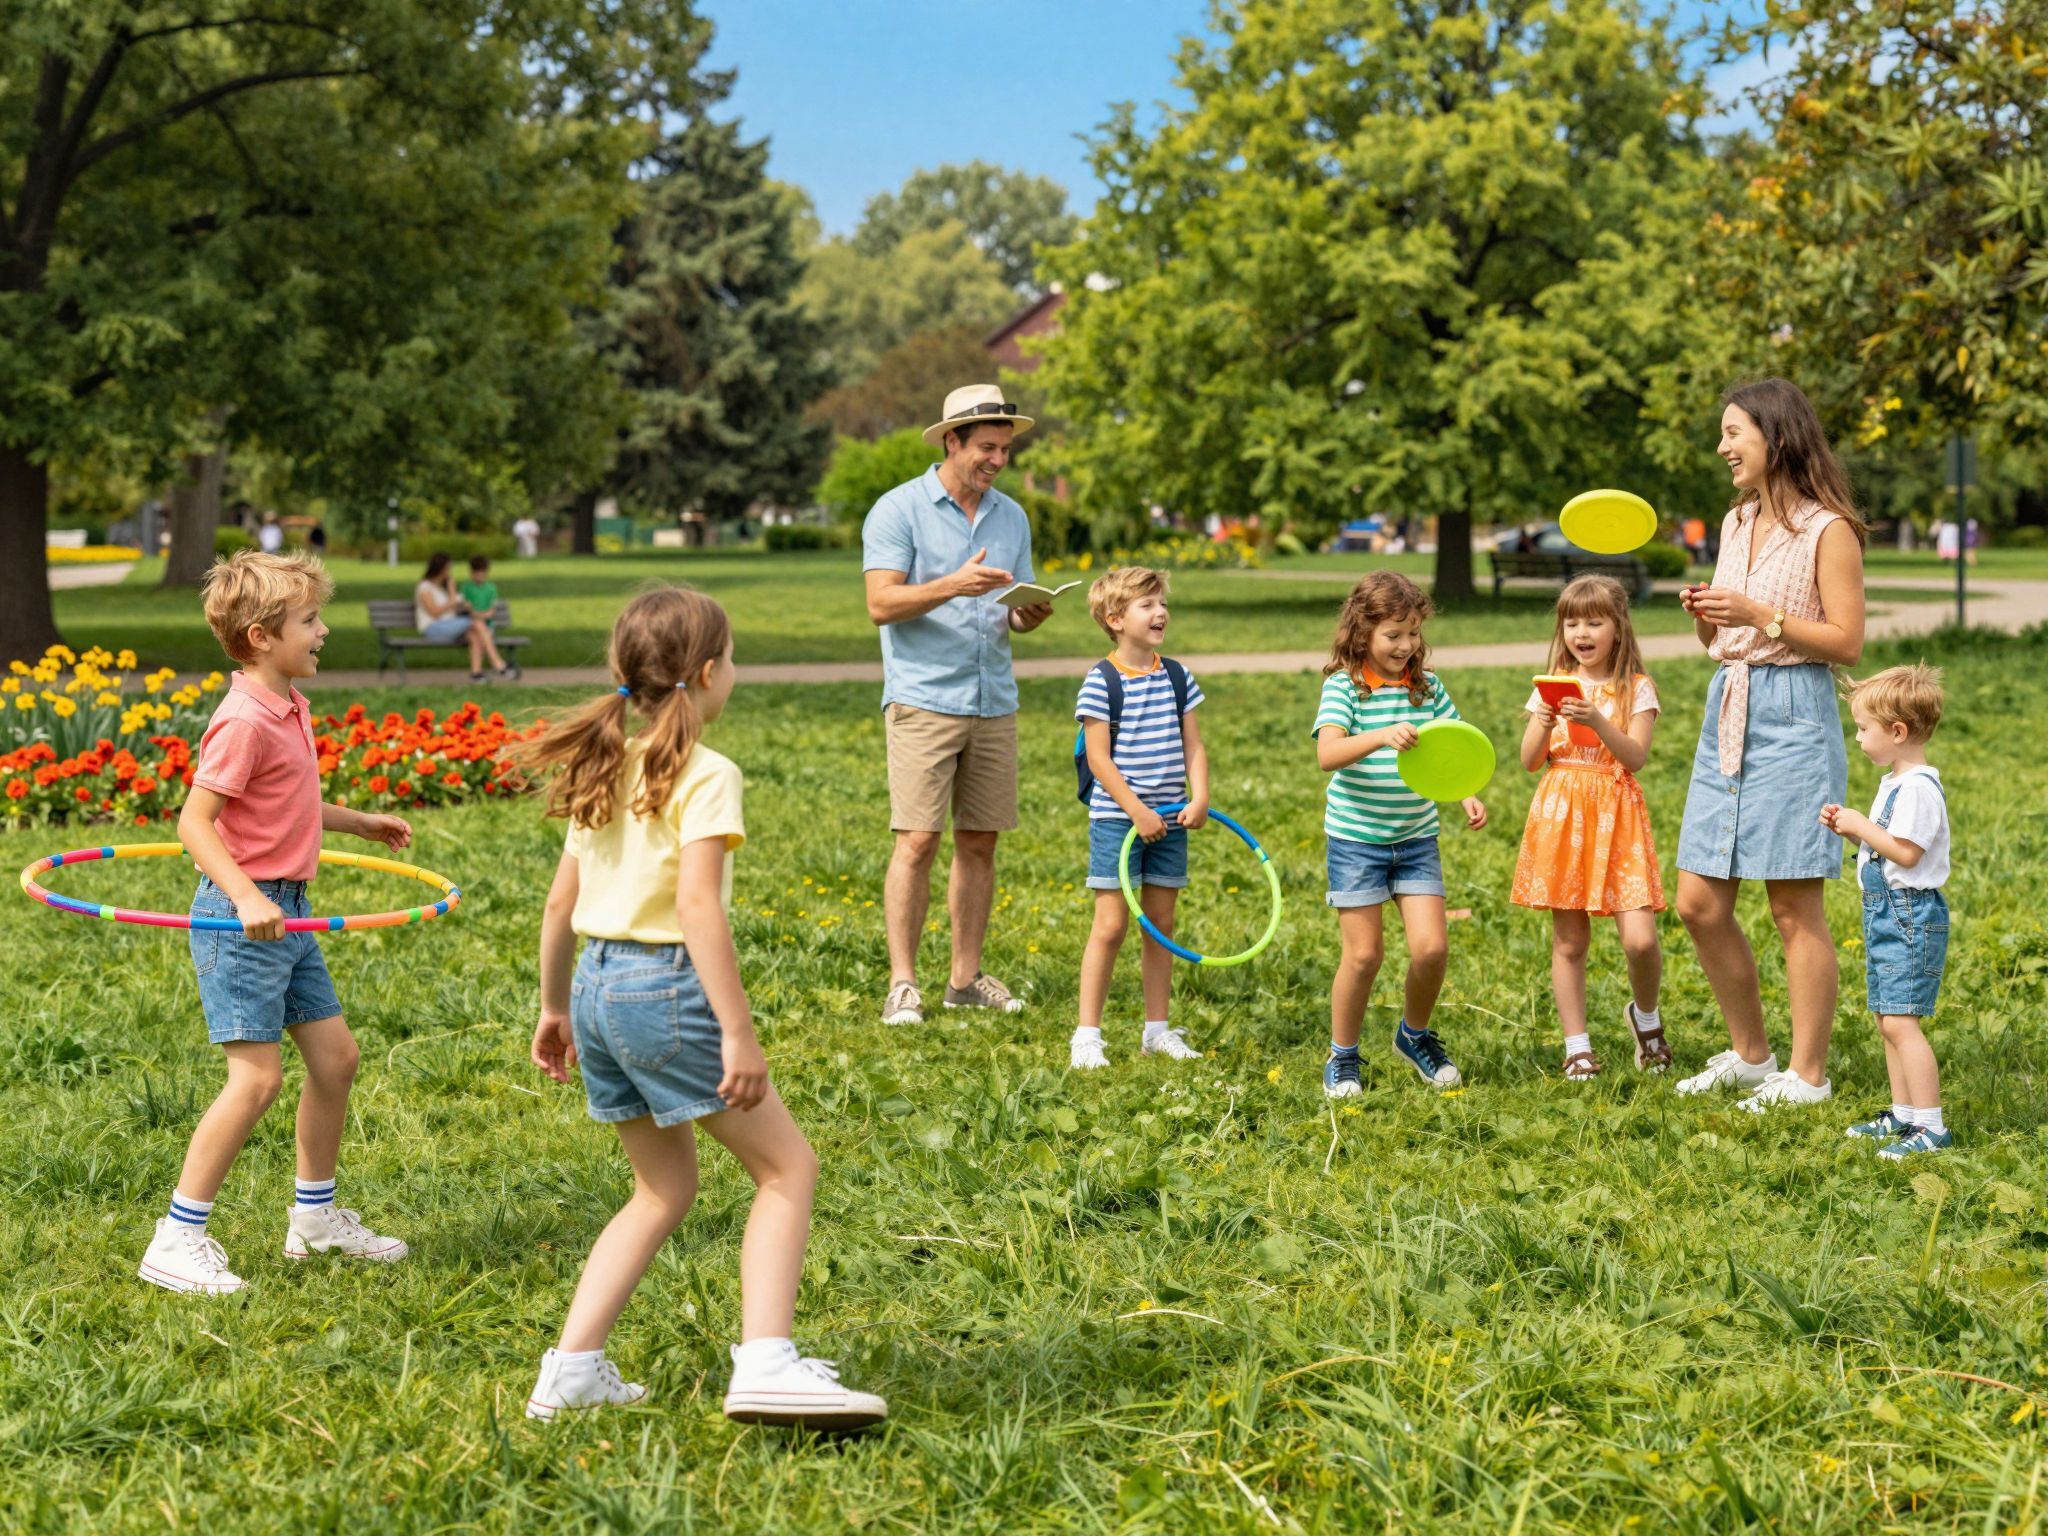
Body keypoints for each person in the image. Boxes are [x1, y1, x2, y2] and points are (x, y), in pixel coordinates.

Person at [515, 587, 887, 1428]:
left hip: (597, 992)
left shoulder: (603, 762)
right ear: (710, 672)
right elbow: (697, 908)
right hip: (664, 991)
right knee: (787, 1170)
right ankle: (767, 1362)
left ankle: (571, 1370)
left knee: (662, 1189)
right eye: (735, 657)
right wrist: (738, 1032)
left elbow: (559, 903)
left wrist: (554, 1006)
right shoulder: (708, 774)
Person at [137, 551, 413, 1295]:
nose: (323, 631)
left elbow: (285, 800)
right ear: (261, 636)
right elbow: (195, 823)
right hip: (243, 920)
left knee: (337, 1059)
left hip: (288, 915)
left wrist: (356, 822)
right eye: (310, 620)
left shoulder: (288, 705)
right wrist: (247, 898)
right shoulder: (242, 720)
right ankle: (176, 1238)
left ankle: (314, 1221)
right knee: (255, 1080)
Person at [1674, 378, 1866, 1111]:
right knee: (1698, 901)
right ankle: (1753, 1057)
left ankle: (1808, 1076)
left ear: (1776, 437)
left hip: (1793, 715)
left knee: (1792, 906)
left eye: (1734, 433)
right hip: (1728, 703)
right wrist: (1708, 612)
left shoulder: (1828, 529)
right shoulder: (1735, 521)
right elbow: (1721, 638)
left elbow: (1846, 642)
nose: (1722, 447)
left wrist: (1762, 614)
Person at [862, 385, 1053, 1026]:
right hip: (923, 699)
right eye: (986, 448)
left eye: (1005, 450)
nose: (998, 460)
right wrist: (952, 585)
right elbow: (880, 604)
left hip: (993, 698)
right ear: (952, 441)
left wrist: (1027, 615)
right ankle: (903, 984)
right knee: (917, 840)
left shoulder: (1012, 517)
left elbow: (1011, 611)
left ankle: (965, 980)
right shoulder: (898, 510)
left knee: (979, 842)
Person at [1314, 572, 1488, 1098]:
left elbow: (1453, 745)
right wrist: (1380, 735)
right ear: (1362, 631)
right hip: (1357, 841)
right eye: (1393, 634)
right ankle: (1343, 1054)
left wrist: (1465, 792)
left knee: (1432, 948)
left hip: (1415, 839)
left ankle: (1413, 1036)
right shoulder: (1345, 686)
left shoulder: (1426, 688)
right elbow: (1328, 753)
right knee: (1364, 956)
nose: (1406, 645)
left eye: (1413, 633)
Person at [1512, 576, 1669, 1078]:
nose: (1581, 633)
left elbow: (1636, 757)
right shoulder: (1553, 685)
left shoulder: (1636, 688)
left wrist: (1598, 721)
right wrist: (1544, 718)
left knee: (1640, 939)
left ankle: (1646, 1019)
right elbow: (1529, 761)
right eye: (1572, 623)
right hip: (1562, 814)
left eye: (1594, 622)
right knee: (1570, 942)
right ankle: (1576, 1045)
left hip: (1616, 817)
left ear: (1618, 628)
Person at [1069, 567, 1209, 1071]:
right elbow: (1099, 759)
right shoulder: (1101, 681)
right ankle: (1087, 1035)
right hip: (1118, 819)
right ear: (1114, 619)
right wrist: (1137, 811)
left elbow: (1194, 745)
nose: (1160, 612)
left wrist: (1200, 796)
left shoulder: (1177, 676)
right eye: (1147, 605)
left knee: (1161, 925)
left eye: (1162, 603)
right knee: (1111, 925)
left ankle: (1157, 1030)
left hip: (1170, 818)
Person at [1821, 664, 1954, 1157]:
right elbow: (1888, 847)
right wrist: (1852, 830)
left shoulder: (1917, 788)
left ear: (1897, 732)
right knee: (1886, 1018)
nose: (1857, 738)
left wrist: (1861, 825)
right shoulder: (1898, 783)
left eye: (1863, 728)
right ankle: (1904, 1115)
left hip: (1909, 915)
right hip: (1886, 912)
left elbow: (1907, 853)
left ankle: (1932, 1126)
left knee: (1902, 1022)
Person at [415, 551, 513, 682]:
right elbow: (434, 613)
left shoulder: (441, 587)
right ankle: (497, 663)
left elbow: (452, 608)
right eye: (448, 568)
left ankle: (476, 674)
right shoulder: (424, 588)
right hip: (432, 628)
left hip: (450, 626)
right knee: (476, 622)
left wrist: (456, 595)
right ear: (440, 569)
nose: (450, 572)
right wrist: (452, 600)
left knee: (474, 635)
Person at [459, 554, 499, 619]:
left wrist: (480, 615)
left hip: (486, 621)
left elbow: (491, 611)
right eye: (476, 572)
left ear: (486, 572)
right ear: (471, 572)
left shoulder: (491, 588)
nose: (479, 575)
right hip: (471, 621)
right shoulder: (466, 588)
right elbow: (465, 607)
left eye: (482, 572)